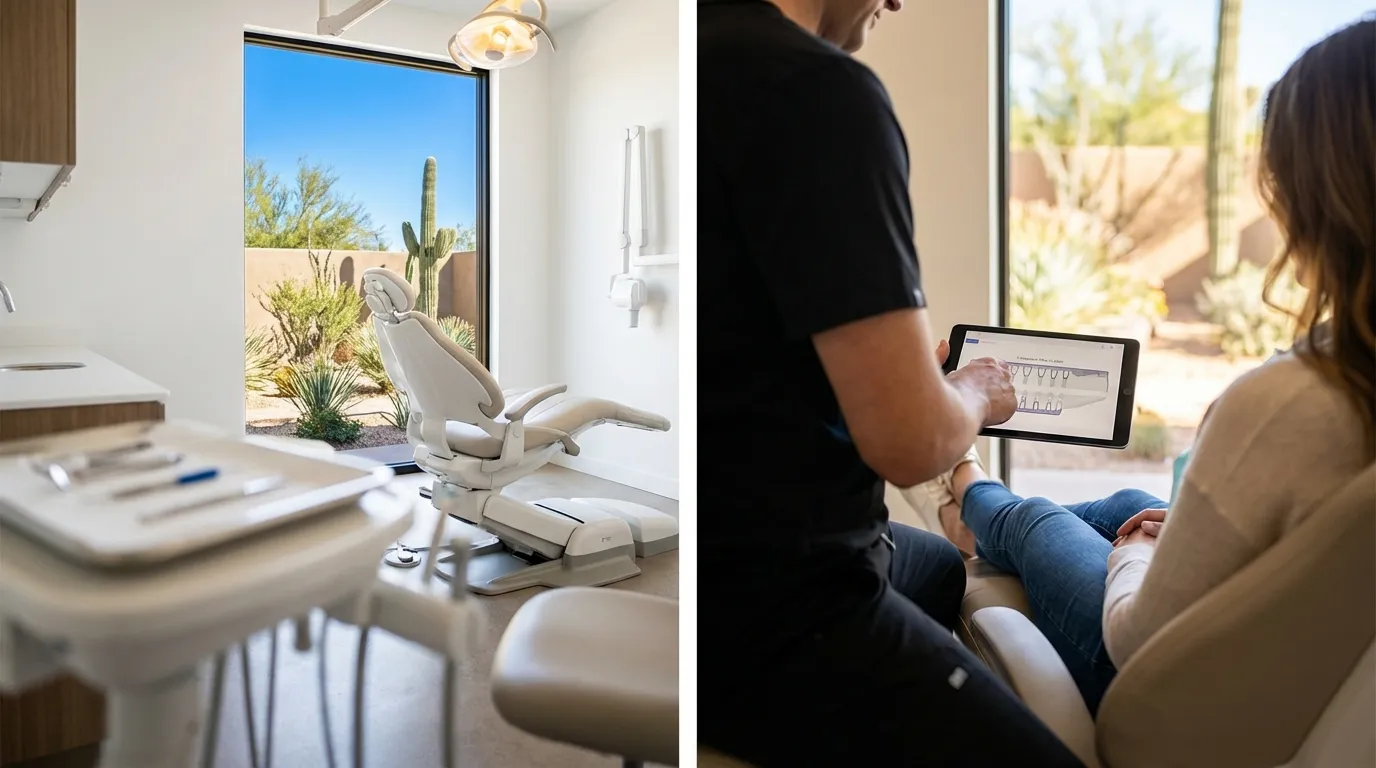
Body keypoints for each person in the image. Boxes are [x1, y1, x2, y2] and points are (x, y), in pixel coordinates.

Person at [910, 16, 1376, 716]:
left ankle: (966, 485)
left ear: (1312, 199)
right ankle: (982, 517)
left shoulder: (1289, 401)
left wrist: (1136, 557)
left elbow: (1133, 639)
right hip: (1279, 664)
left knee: (1041, 517)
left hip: (1165, 695)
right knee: (1132, 506)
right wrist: (1168, 533)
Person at [698, 1, 1087, 765]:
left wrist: (903, 374)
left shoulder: (705, 49)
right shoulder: (822, 90)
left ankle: (971, 517)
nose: (898, 1)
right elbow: (910, 444)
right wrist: (973, 390)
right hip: (784, 614)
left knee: (941, 564)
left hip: (727, 566)